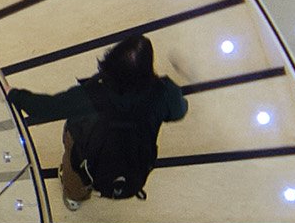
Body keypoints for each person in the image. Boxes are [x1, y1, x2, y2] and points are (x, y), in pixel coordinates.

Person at [10, 33, 191, 206]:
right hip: (135, 167)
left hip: (87, 161)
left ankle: (75, 196)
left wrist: (13, 94)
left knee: (73, 155)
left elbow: (45, 108)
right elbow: (180, 111)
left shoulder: (90, 96)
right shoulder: (163, 93)